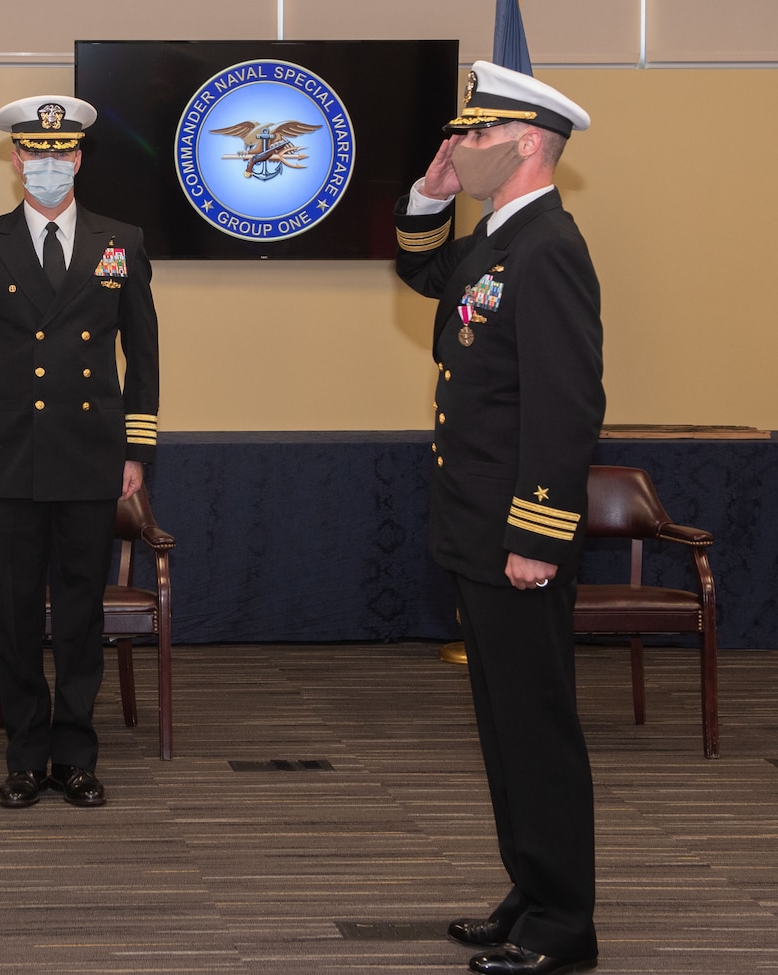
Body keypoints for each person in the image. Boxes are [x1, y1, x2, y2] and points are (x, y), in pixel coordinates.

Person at [394, 61, 605, 975]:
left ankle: (565, 926)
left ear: (527, 141)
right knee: (503, 725)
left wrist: (536, 535)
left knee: (537, 729)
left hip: (515, 537)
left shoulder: (551, 247)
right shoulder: (497, 240)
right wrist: (427, 192)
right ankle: (530, 888)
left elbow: (566, 405)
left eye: (474, 135)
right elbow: (422, 269)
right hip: (476, 528)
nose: (459, 146)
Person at [0, 95, 160, 809]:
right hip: (7, 458)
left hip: (91, 455)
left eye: (62, 154)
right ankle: (25, 757)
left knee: (79, 614)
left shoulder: (120, 240)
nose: (48, 165)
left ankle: (76, 756)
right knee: (15, 610)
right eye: (35, 154)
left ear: (80, 160)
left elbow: (143, 350)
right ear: (15, 160)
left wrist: (136, 446)